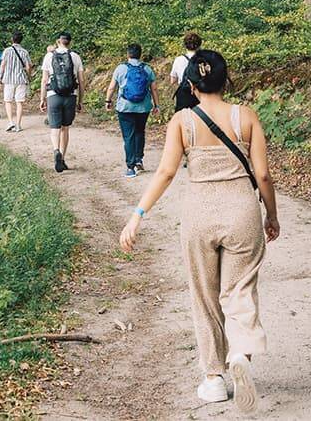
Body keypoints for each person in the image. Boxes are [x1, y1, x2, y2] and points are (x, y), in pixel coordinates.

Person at [120, 50, 279, 413]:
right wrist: (271, 215)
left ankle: (213, 378)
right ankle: (240, 352)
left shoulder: (182, 121)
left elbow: (164, 173)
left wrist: (137, 214)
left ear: (190, 85)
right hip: (242, 212)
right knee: (240, 290)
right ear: (227, 80)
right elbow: (264, 176)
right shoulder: (247, 116)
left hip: (198, 216)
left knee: (205, 296)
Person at [105, 43, 160, 177]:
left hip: (125, 107)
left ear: (128, 54)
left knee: (128, 136)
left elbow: (112, 87)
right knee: (140, 132)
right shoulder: (147, 69)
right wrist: (156, 105)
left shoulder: (121, 68)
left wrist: (108, 100)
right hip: (143, 107)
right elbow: (154, 89)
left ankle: (130, 167)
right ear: (140, 54)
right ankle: (139, 160)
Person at [40, 32, 85, 172]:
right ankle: (63, 158)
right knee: (65, 128)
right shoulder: (75, 56)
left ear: (57, 41)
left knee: (55, 129)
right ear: (69, 42)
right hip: (70, 96)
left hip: (53, 95)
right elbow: (81, 80)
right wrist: (80, 100)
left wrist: (42, 99)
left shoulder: (49, 56)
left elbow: (44, 80)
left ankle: (56, 151)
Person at [0, 32, 32, 132]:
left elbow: (3, 65)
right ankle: (18, 124)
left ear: (12, 39)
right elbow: (28, 67)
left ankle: (10, 122)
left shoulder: (7, 51)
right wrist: (29, 75)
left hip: (8, 79)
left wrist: (0, 77)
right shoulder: (24, 52)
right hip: (21, 79)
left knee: (8, 101)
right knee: (19, 102)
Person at [170, 32, 202, 112]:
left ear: (185, 45)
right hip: (200, 94)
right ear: (199, 45)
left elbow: (172, 81)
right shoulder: (203, 59)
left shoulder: (179, 59)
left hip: (184, 94)